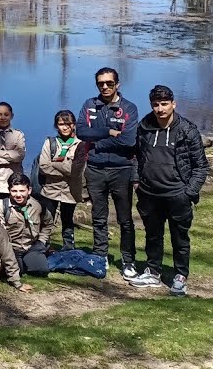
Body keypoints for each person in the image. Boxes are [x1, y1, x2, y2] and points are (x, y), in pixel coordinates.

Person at [128, 85, 209, 297]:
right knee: (153, 235)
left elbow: (200, 166)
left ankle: (180, 276)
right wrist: (137, 181)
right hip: (150, 193)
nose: (160, 109)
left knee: (179, 238)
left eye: (164, 104)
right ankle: (153, 271)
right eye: (156, 104)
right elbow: (136, 156)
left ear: (173, 104)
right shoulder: (144, 127)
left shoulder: (187, 130)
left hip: (177, 194)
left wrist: (189, 192)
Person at [75, 66, 140, 278]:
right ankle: (100, 255)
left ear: (117, 84)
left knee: (125, 219)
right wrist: (109, 132)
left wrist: (98, 140)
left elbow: (129, 141)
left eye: (109, 83)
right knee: (99, 216)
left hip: (121, 169)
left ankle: (128, 260)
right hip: (95, 169)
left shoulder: (128, 108)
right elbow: (82, 132)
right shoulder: (89, 105)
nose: (104, 87)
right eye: (100, 83)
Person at [35, 110, 86, 250]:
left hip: (71, 191)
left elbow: (76, 171)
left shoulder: (80, 145)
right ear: (56, 126)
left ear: (74, 125)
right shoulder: (49, 143)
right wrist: (66, 168)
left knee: (67, 221)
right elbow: (44, 166)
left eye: (68, 124)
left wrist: (56, 163)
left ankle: (69, 248)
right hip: (50, 189)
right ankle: (43, 246)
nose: (64, 127)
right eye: (61, 124)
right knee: (47, 219)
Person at [0, 174, 51, 277]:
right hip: (11, 248)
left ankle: (34, 259)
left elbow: (48, 223)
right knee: (17, 272)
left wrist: (41, 241)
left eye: (22, 191)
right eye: (14, 191)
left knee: (41, 270)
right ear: (9, 190)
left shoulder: (38, 206)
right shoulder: (1, 206)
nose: (18, 195)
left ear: (29, 190)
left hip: (31, 246)